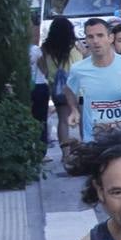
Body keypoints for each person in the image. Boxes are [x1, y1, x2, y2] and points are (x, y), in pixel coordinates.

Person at [39, 16, 84, 156]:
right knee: (83, 119)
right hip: (78, 88)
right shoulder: (75, 45)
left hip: (58, 90)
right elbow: (84, 60)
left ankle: (65, 154)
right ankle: (85, 151)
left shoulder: (46, 48)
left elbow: (43, 70)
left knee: (62, 121)